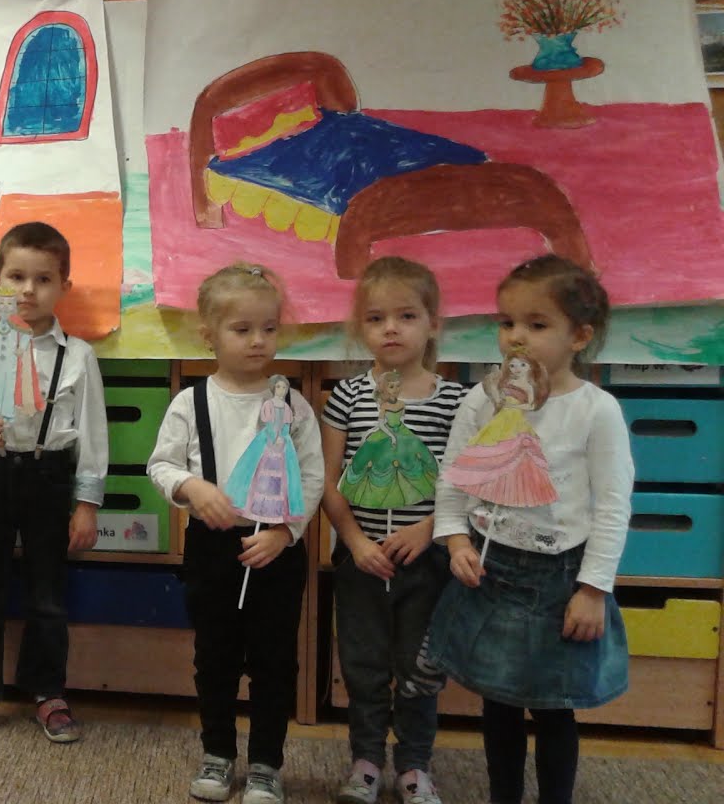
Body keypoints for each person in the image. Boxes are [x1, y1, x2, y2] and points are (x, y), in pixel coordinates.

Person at [426, 256, 632, 804]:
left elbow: (613, 506)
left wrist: (593, 589)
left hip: (559, 580)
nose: (516, 337)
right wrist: (455, 537)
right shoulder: (483, 398)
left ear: (579, 336)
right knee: (498, 700)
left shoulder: (596, 410)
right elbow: (455, 474)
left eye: (536, 325)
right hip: (490, 570)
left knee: (553, 705)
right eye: (507, 322)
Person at [146, 263, 324, 804]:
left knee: (275, 661)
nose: (257, 340)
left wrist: (286, 533)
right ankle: (218, 753)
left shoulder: (291, 404)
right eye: (242, 329)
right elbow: (161, 465)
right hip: (212, 549)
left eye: (268, 328)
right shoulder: (190, 402)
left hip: (274, 549)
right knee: (215, 658)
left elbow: (312, 475)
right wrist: (191, 488)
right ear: (210, 335)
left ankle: (266, 763)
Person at [0, 221, 107, 745]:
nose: (28, 290)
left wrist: (87, 504)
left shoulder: (77, 355)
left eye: (43, 279)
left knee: (48, 594)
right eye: (16, 277)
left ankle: (48, 691)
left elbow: (93, 436)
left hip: (49, 477)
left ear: (63, 287)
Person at [320, 257, 464, 804]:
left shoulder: (455, 400)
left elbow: (464, 483)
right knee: (363, 665)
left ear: (432, 324)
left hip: (426, 561)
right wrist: (355, 542)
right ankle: (365, 761)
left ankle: (415, 765)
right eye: (376, 318)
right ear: (361, 327)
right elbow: (328, 481)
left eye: (406, 316)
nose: (391, 329)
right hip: (361, 561)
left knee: (419, 668)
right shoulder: (348, 396)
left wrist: (429, 529)